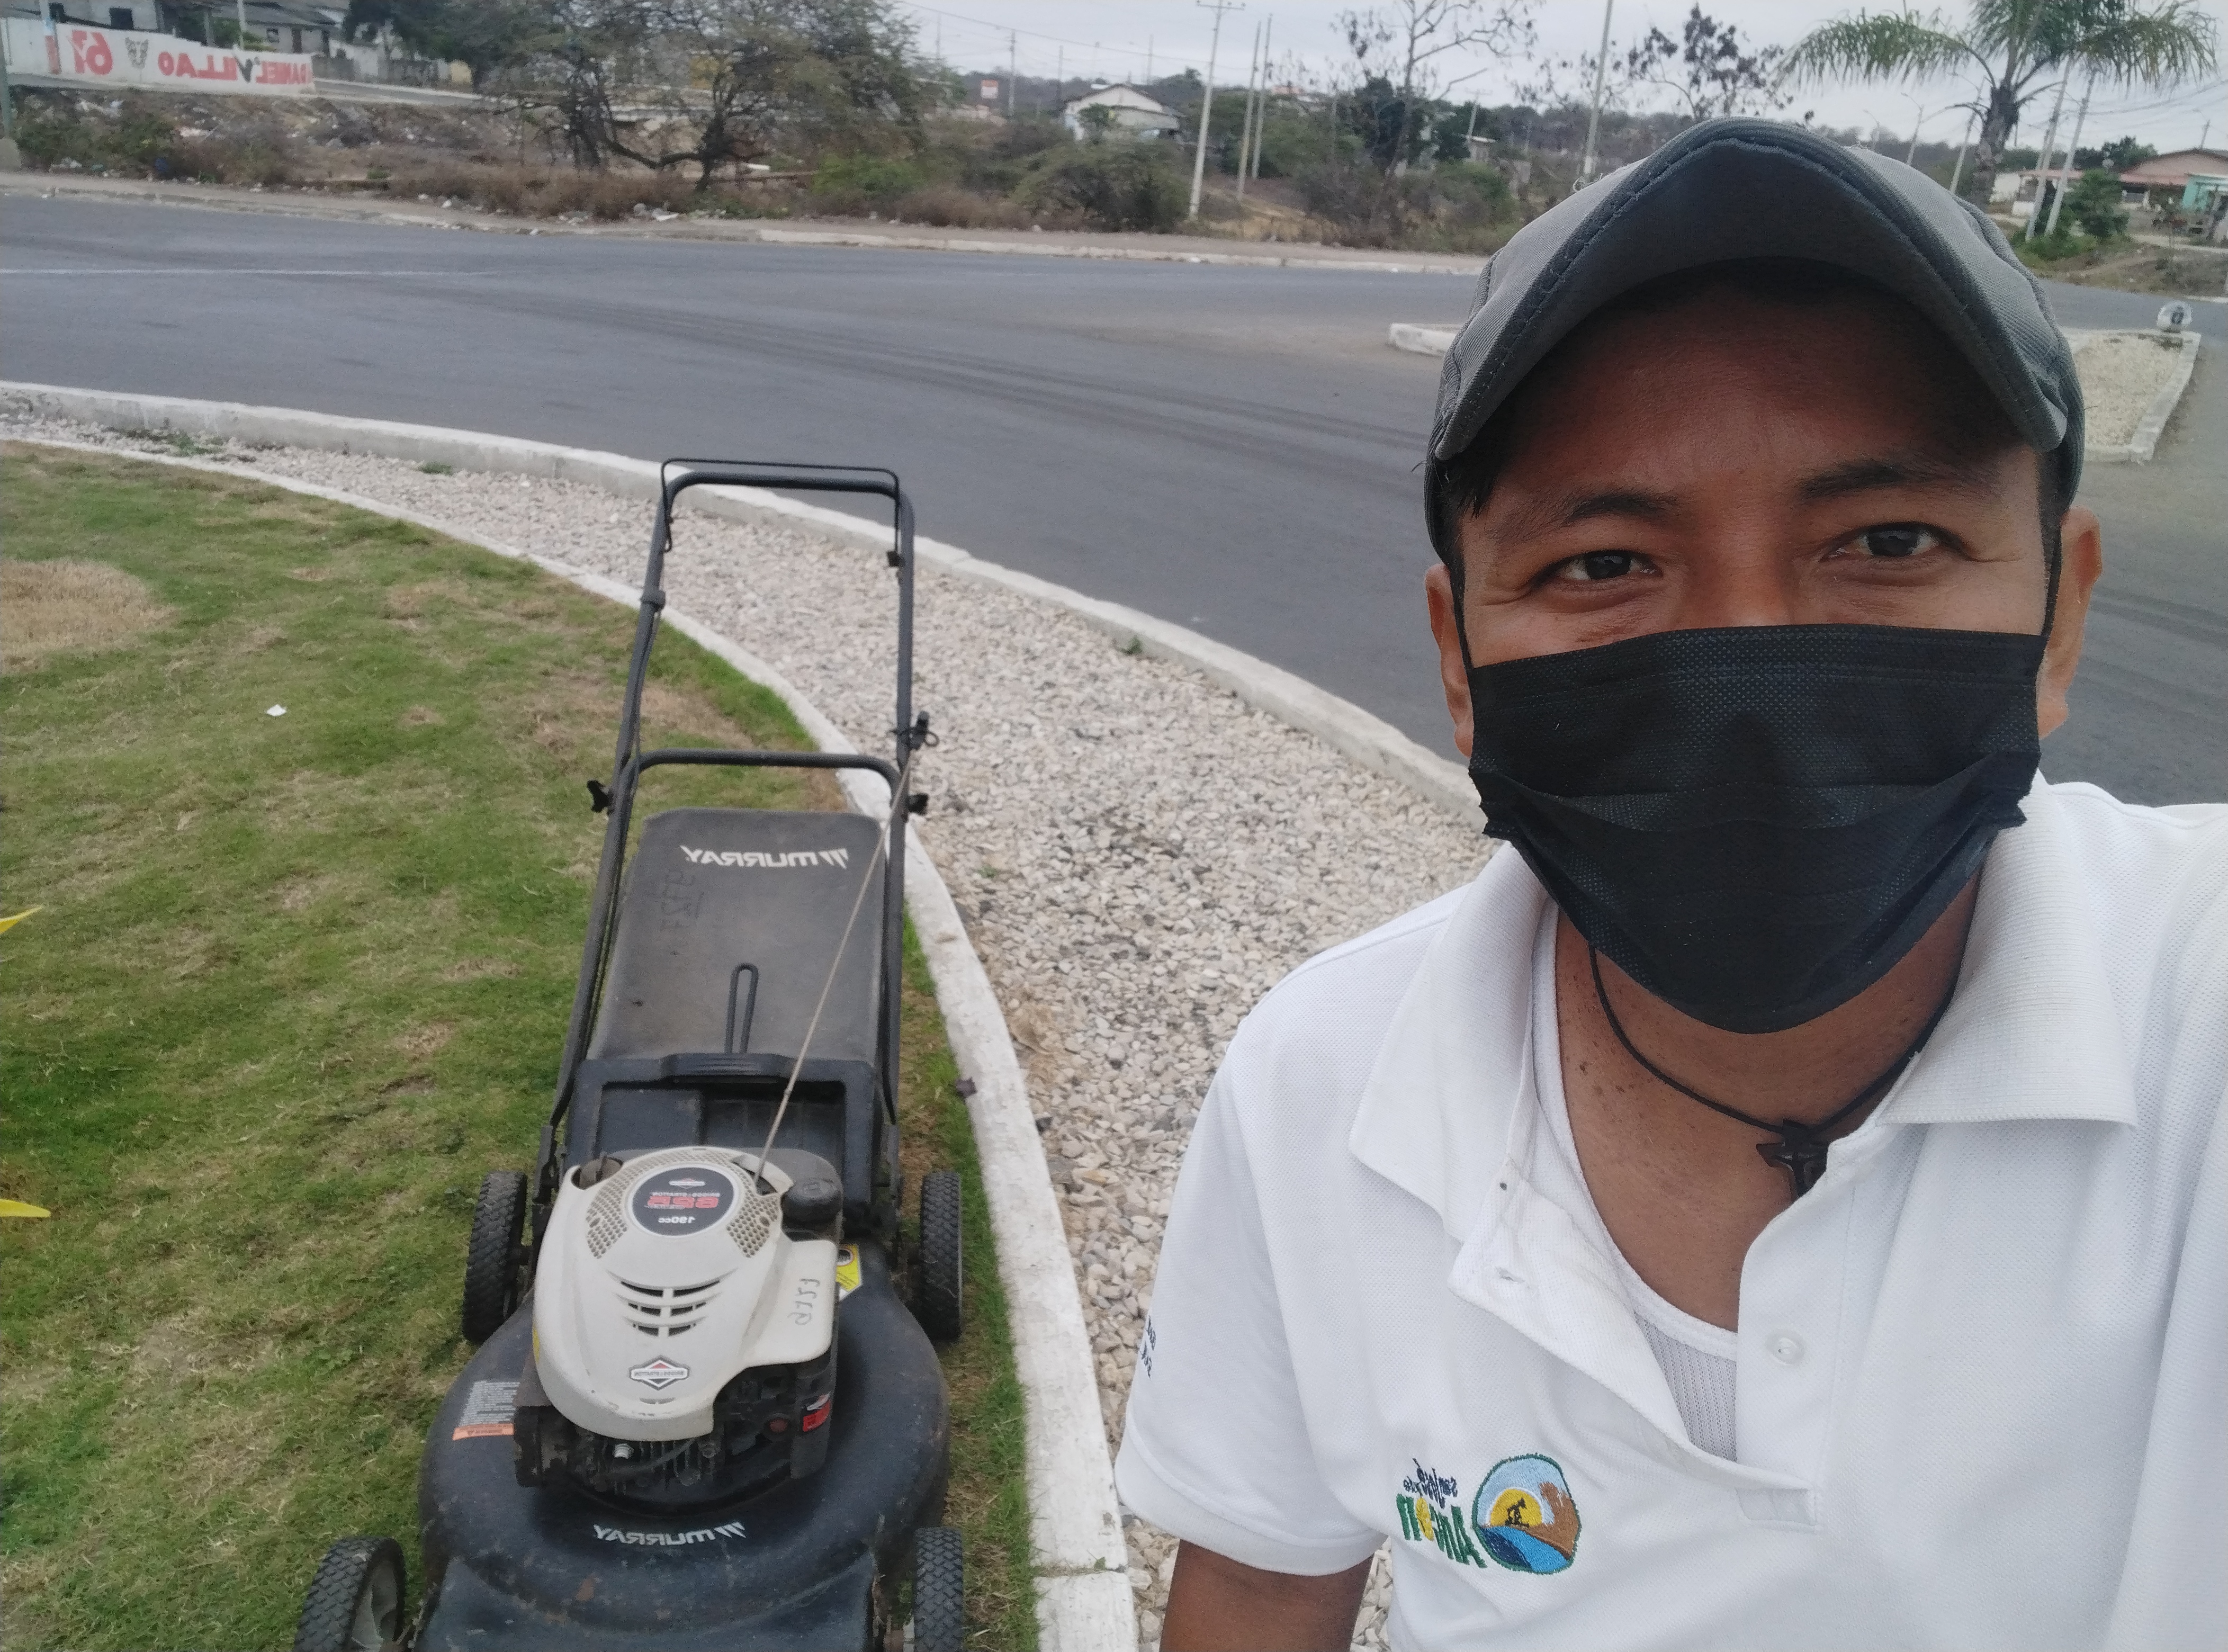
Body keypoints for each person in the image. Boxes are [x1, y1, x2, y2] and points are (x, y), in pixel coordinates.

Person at [1115, 120, 2225, 1651]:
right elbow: (1257, 1577)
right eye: (1603, 564)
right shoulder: (1323, 1084)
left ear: (2060, 620)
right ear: (1458, 661)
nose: (1751, 670)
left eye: (1888, 539)